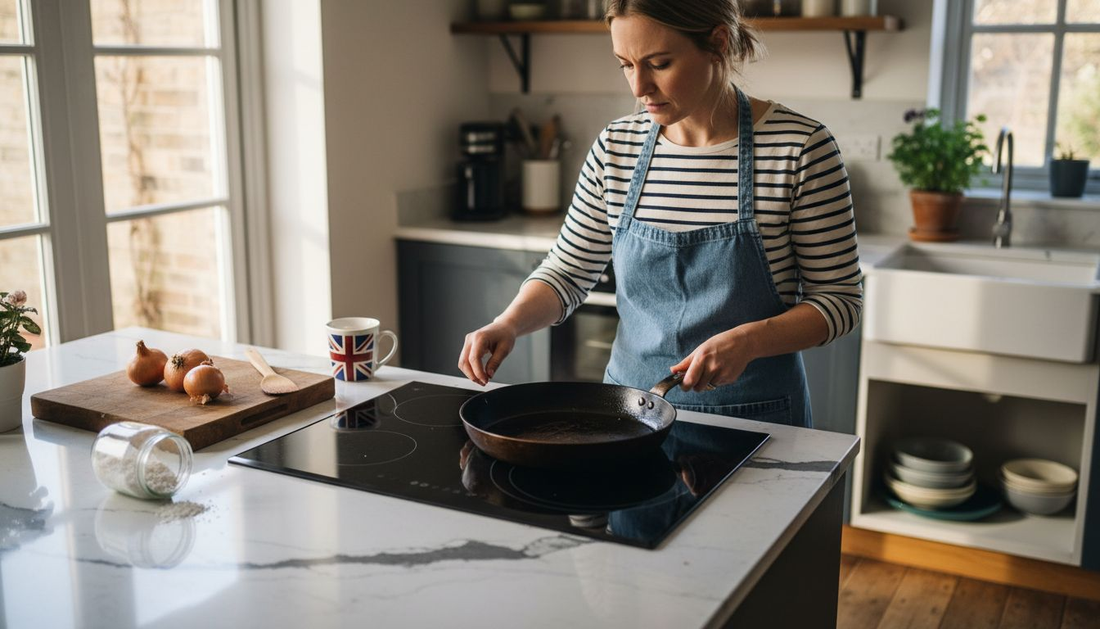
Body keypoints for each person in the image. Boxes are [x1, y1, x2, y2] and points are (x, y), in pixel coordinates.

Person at [457, 0, 862, 428]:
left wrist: (750, 340)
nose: (639, 87)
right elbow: (569, 269)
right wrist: (509, 323)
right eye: (625, 65)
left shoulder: (799, 148)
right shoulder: (617, 147)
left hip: (757, 421)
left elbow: (840, 301)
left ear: (717, 43)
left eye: (659, 63)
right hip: (628, 411)